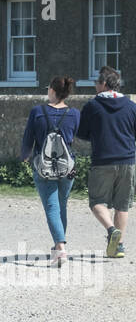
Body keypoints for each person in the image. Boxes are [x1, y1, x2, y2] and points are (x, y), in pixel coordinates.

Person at [76, 66, 136, 259]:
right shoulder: (130, 106)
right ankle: (119, 246)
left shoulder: (92, 106)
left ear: (104, 84)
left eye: (96, 83)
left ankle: (110, 230)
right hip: (127, 160)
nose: (94, 86)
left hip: (103, 160)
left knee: (97, 202)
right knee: (122, 205)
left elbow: (82, 133)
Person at [20, 76, 79, 266]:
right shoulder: (74, 113)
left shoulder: (38, 112)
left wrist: (25, 156)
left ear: (52, 91)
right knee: (61, 206)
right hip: (67, 167)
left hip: (43, 167)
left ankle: (60, 249)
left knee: (52, 207)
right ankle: (57, 247)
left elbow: (28, 137)